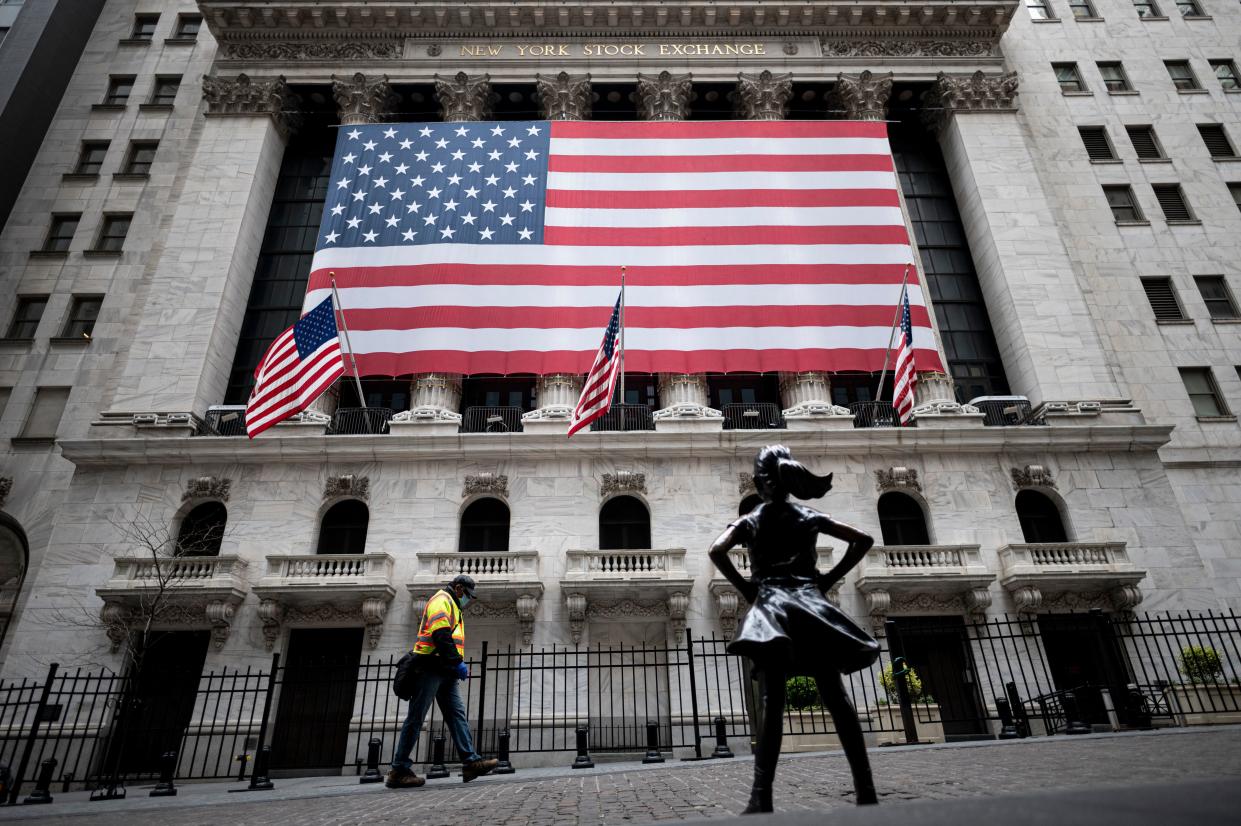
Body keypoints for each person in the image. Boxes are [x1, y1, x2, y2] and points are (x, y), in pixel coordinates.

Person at [709, 445, 880, 814]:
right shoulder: (807, 515)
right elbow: (863, 540)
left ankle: (761, 796)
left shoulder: (752, 519)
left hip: (773, 606)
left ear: (760, 483)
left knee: (772, 702)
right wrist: (828, 578)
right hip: (810, 606)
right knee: (837, 698)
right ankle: (865, 788)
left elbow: (716, 551)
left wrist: (748, 589)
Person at [387, 574, 499, 788]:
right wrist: (458, 662)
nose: (467, 599)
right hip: (429, 667)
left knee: (457, 715)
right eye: (467, 594)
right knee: (416, 718)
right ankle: (399, 769)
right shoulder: (441, 601)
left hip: (444, 670)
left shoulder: (453, 605)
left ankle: (471, 762)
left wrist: (454, 665)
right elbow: (441, 635)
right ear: (458, 588)